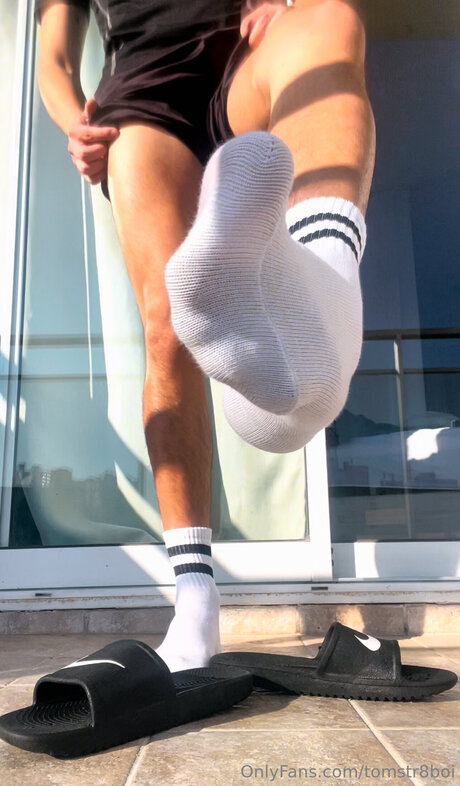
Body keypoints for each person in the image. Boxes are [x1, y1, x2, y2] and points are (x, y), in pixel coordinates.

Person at [35, 0, 376, 673]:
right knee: (171, 324)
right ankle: (194, 600)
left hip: (243, 52)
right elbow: (53, 56)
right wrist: (75, 120)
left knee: (331, 20)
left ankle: (325, 290)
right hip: (144, 99)